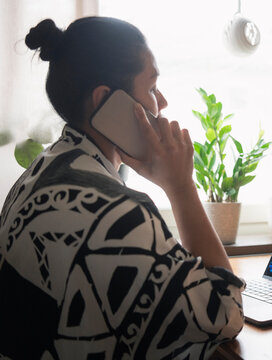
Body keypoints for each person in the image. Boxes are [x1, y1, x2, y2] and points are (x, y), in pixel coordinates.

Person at [0, 17, 244, 359]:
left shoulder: (41, 173)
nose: (163, 102)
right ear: (106, 100)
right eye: (151, 87)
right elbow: (224, 315)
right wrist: (181, 187)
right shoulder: (115, 214)